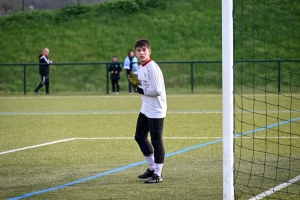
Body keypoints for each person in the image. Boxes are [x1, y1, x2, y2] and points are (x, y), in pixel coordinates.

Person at [128, 38, 167, 184]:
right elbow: (143, 87)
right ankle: (151, 167)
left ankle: (158, 174)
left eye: (144, 50)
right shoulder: (140, 67)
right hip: (146, 108)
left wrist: (139, 88)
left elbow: (157, 90)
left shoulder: (152, 67)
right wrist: (135, 84)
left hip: (157, 109)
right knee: (139, 137)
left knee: (156, 141)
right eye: (139, 50)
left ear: (149, 51)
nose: (141, 52)